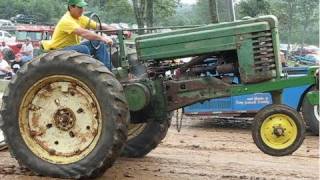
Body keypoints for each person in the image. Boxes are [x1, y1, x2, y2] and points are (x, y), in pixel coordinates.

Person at [41, 0, 116, 69]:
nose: (82, 10)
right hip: (59, 51)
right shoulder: (66, 20)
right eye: (79, 7)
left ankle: (108, 71)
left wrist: (116, 31)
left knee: (98, 43)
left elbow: (98, 26)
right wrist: (103, 38)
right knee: (83, 49)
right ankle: (90, 74)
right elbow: (84, 33)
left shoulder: (80, 18)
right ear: (71, 7)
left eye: (83, 7)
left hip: (72, 48)